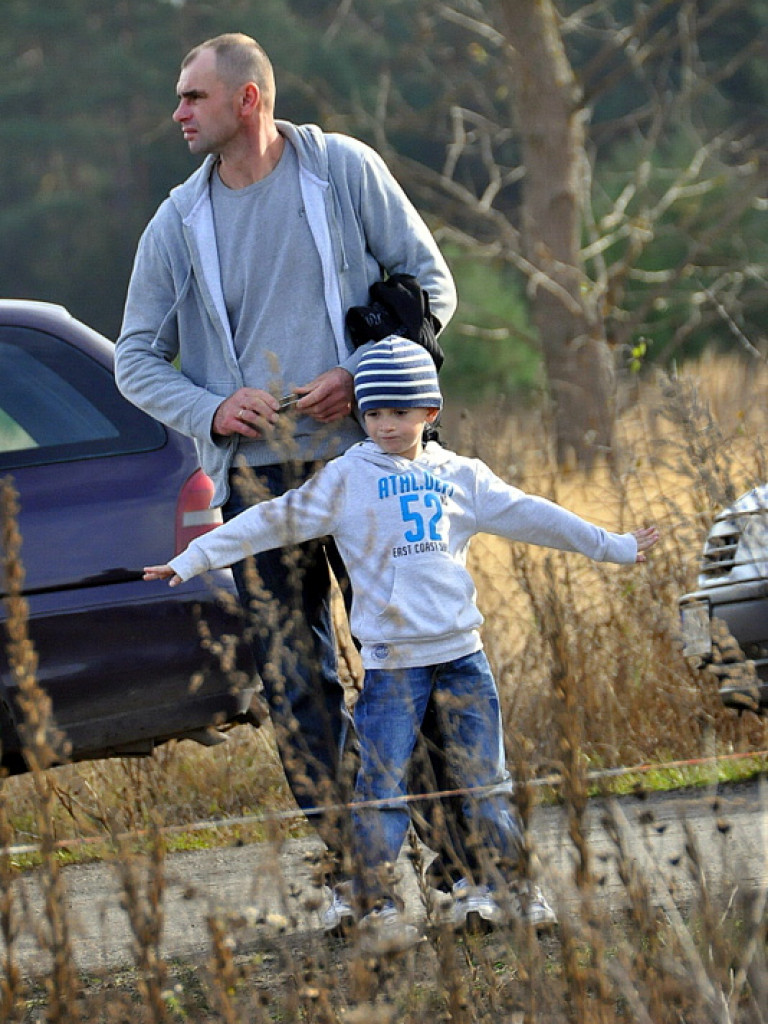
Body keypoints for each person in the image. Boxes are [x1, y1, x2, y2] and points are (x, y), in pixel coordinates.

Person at [143, 336, 660, 946]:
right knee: (380, 791)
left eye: (400, 411)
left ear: (429, 414)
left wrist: (614, 545)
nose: (386, 424)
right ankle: (373, 902)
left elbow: (533, 513)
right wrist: (195, 557)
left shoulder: (460, 476)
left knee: (485, 780)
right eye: (374, 412)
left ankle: (509, 887)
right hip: (392, 670)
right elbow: (271, 519)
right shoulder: (346, 479)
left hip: (465, 660)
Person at [115, 32, 463, 932]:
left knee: (407, 661)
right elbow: (135, 357)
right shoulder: (175, 222)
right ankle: (368, 882)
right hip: (258, 489)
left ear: (248, 101)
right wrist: (209, 407)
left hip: (370, 468)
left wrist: (366, 371)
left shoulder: (341, 170)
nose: (179, 112)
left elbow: (431, 282)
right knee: (295, 683)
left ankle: (462, 870)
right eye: (179, 97)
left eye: (193, 96)